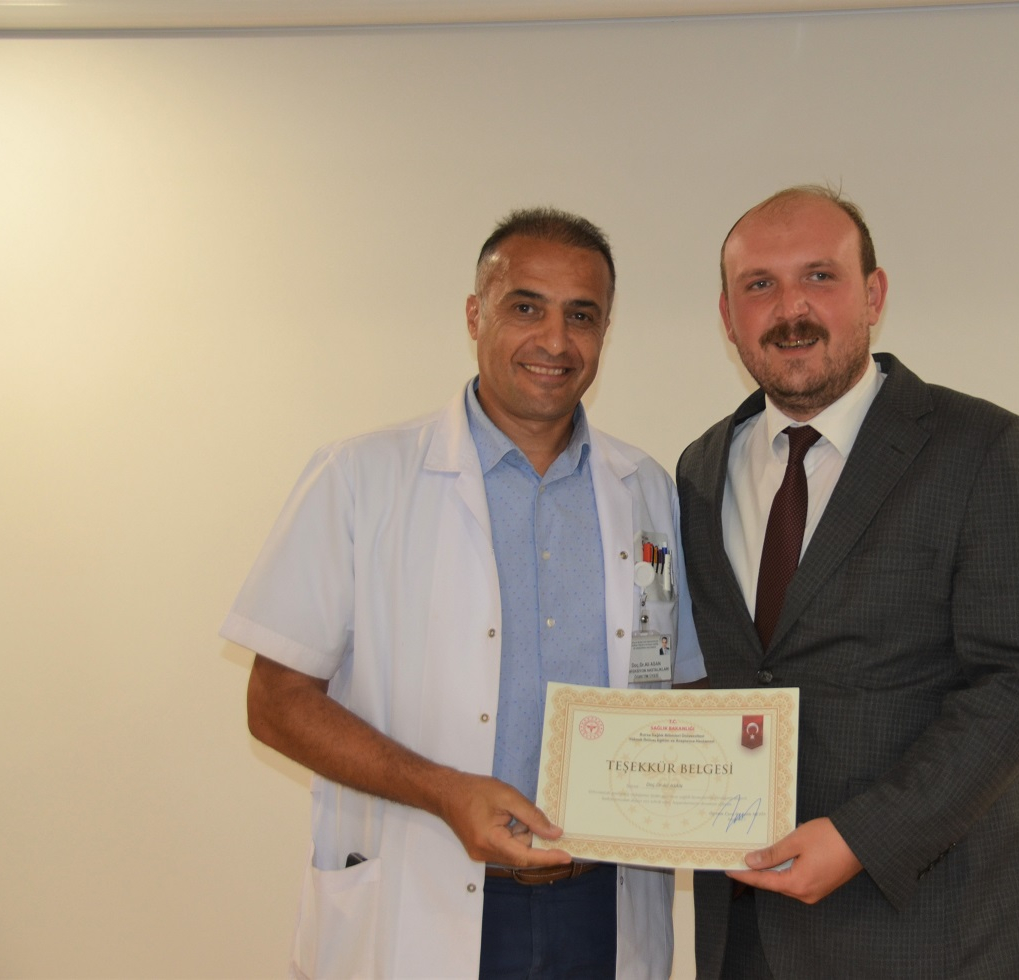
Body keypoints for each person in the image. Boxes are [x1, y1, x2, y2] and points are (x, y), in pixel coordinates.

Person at [221, 208, 703, 979]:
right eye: (526, 307)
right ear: (476, 315)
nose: (555, 340)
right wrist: (445, 792)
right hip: (421, 891)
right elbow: (275, 703)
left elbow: (666, 681)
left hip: (602, 906)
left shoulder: (643, 487)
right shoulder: (359, 478)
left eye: (581, 316)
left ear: (605, 333)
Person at [676, 186, 1019, 979]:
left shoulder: (984, 448)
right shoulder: (698, 468)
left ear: (873, 295)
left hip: (931, 931)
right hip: (747, 933)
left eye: (819, 276)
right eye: (759, 285)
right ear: (727, 315)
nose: (790, 308)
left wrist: (862, 837)